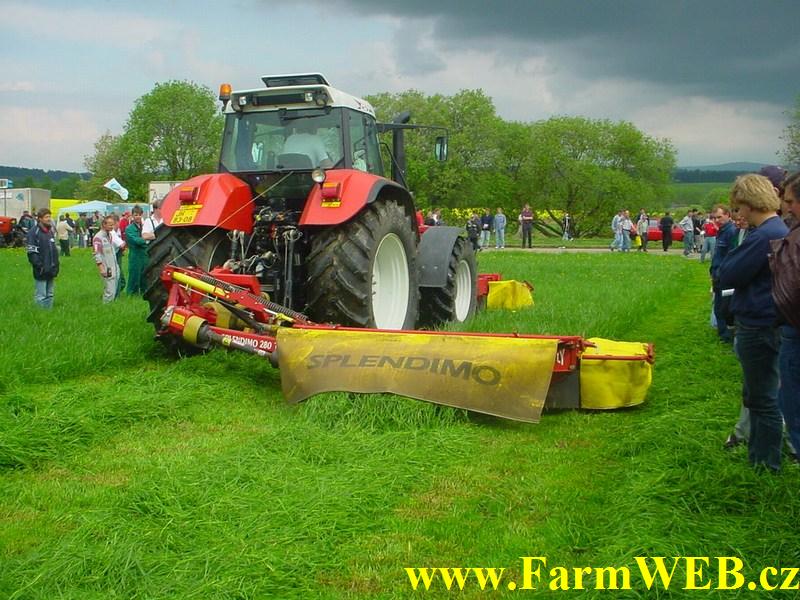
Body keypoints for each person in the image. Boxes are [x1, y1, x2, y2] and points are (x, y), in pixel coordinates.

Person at [717, 174, 788, 471]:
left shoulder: (762, 236)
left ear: (749, 202)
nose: (739, 212)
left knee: (762, 398)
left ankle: (765, 462)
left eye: (739, 206)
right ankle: (760, 456)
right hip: (771, 320)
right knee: (760, 394)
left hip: (758, 323)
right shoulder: (779, 228)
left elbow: (728, 274)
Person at [771, 171, 800, 462]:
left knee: (794, 406)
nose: (787, 208)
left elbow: (791, 291)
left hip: (794, 329)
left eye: (790, 201)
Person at [710, 204, 737, 344]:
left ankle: (727, 336)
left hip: (724, 276)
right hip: (717, 274)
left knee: (723, 308)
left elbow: (730, 256)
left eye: (719, 217)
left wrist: (721, 273)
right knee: (718, 306)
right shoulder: (721, 231)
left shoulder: (731, 232)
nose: (717, 220)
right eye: (714, 218)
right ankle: (723, 334)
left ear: (728, 215)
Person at [25, 208, 59, 308]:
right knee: (41, 295)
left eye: (49, 216)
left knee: (50, 294)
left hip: (51, 268)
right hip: (41, 270)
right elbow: (31, 252)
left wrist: (56, 265)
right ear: (40, 219)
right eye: (46, 217)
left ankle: (48, 313)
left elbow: (53, 250)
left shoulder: (50, 231)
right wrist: (40, 266)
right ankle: (40, 314)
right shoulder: (33, 232)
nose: (49, 219)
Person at [93, 215, 123, 303]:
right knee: (109, 291)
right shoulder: (98, 237)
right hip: (107, 268)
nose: (112, 227)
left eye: (113, 224)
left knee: (114, 290)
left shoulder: (110, 235)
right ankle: (106, 307)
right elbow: (96, 254)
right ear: (104, 224)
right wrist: (101, 268)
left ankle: (111, 307)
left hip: (114, 267)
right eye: (110, 225)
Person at [125, 206, 148, 295]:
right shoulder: (129, 228)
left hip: (144, 255)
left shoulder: (144, 226)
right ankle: (131, 294)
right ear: (132, 216)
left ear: (142, 215)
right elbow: (136, 241)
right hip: (135, 255)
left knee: (145, 275)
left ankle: (144, 293)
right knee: (134, 276)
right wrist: (147, 239)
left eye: (139, 215)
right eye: (135, 215)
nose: (138, 217)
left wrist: (145, 239)